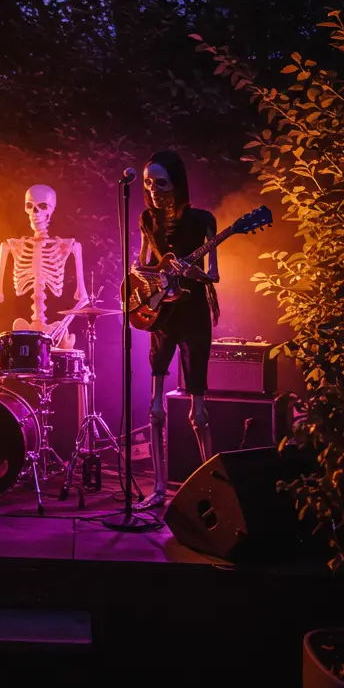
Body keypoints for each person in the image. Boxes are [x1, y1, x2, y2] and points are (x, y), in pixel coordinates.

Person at [133, 151, 219, 508]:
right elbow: (142, 262)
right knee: (155, 407)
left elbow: (213, 274)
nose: (153, 190)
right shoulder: (147, 219)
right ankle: (157, 490)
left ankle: (213, 492)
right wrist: (144, 278)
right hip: (162, 313)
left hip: (195, 311)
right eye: (148, 183)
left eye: (161, 183)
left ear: (177, 184)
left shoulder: (203, 220)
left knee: (198, 406)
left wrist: (192, 272)